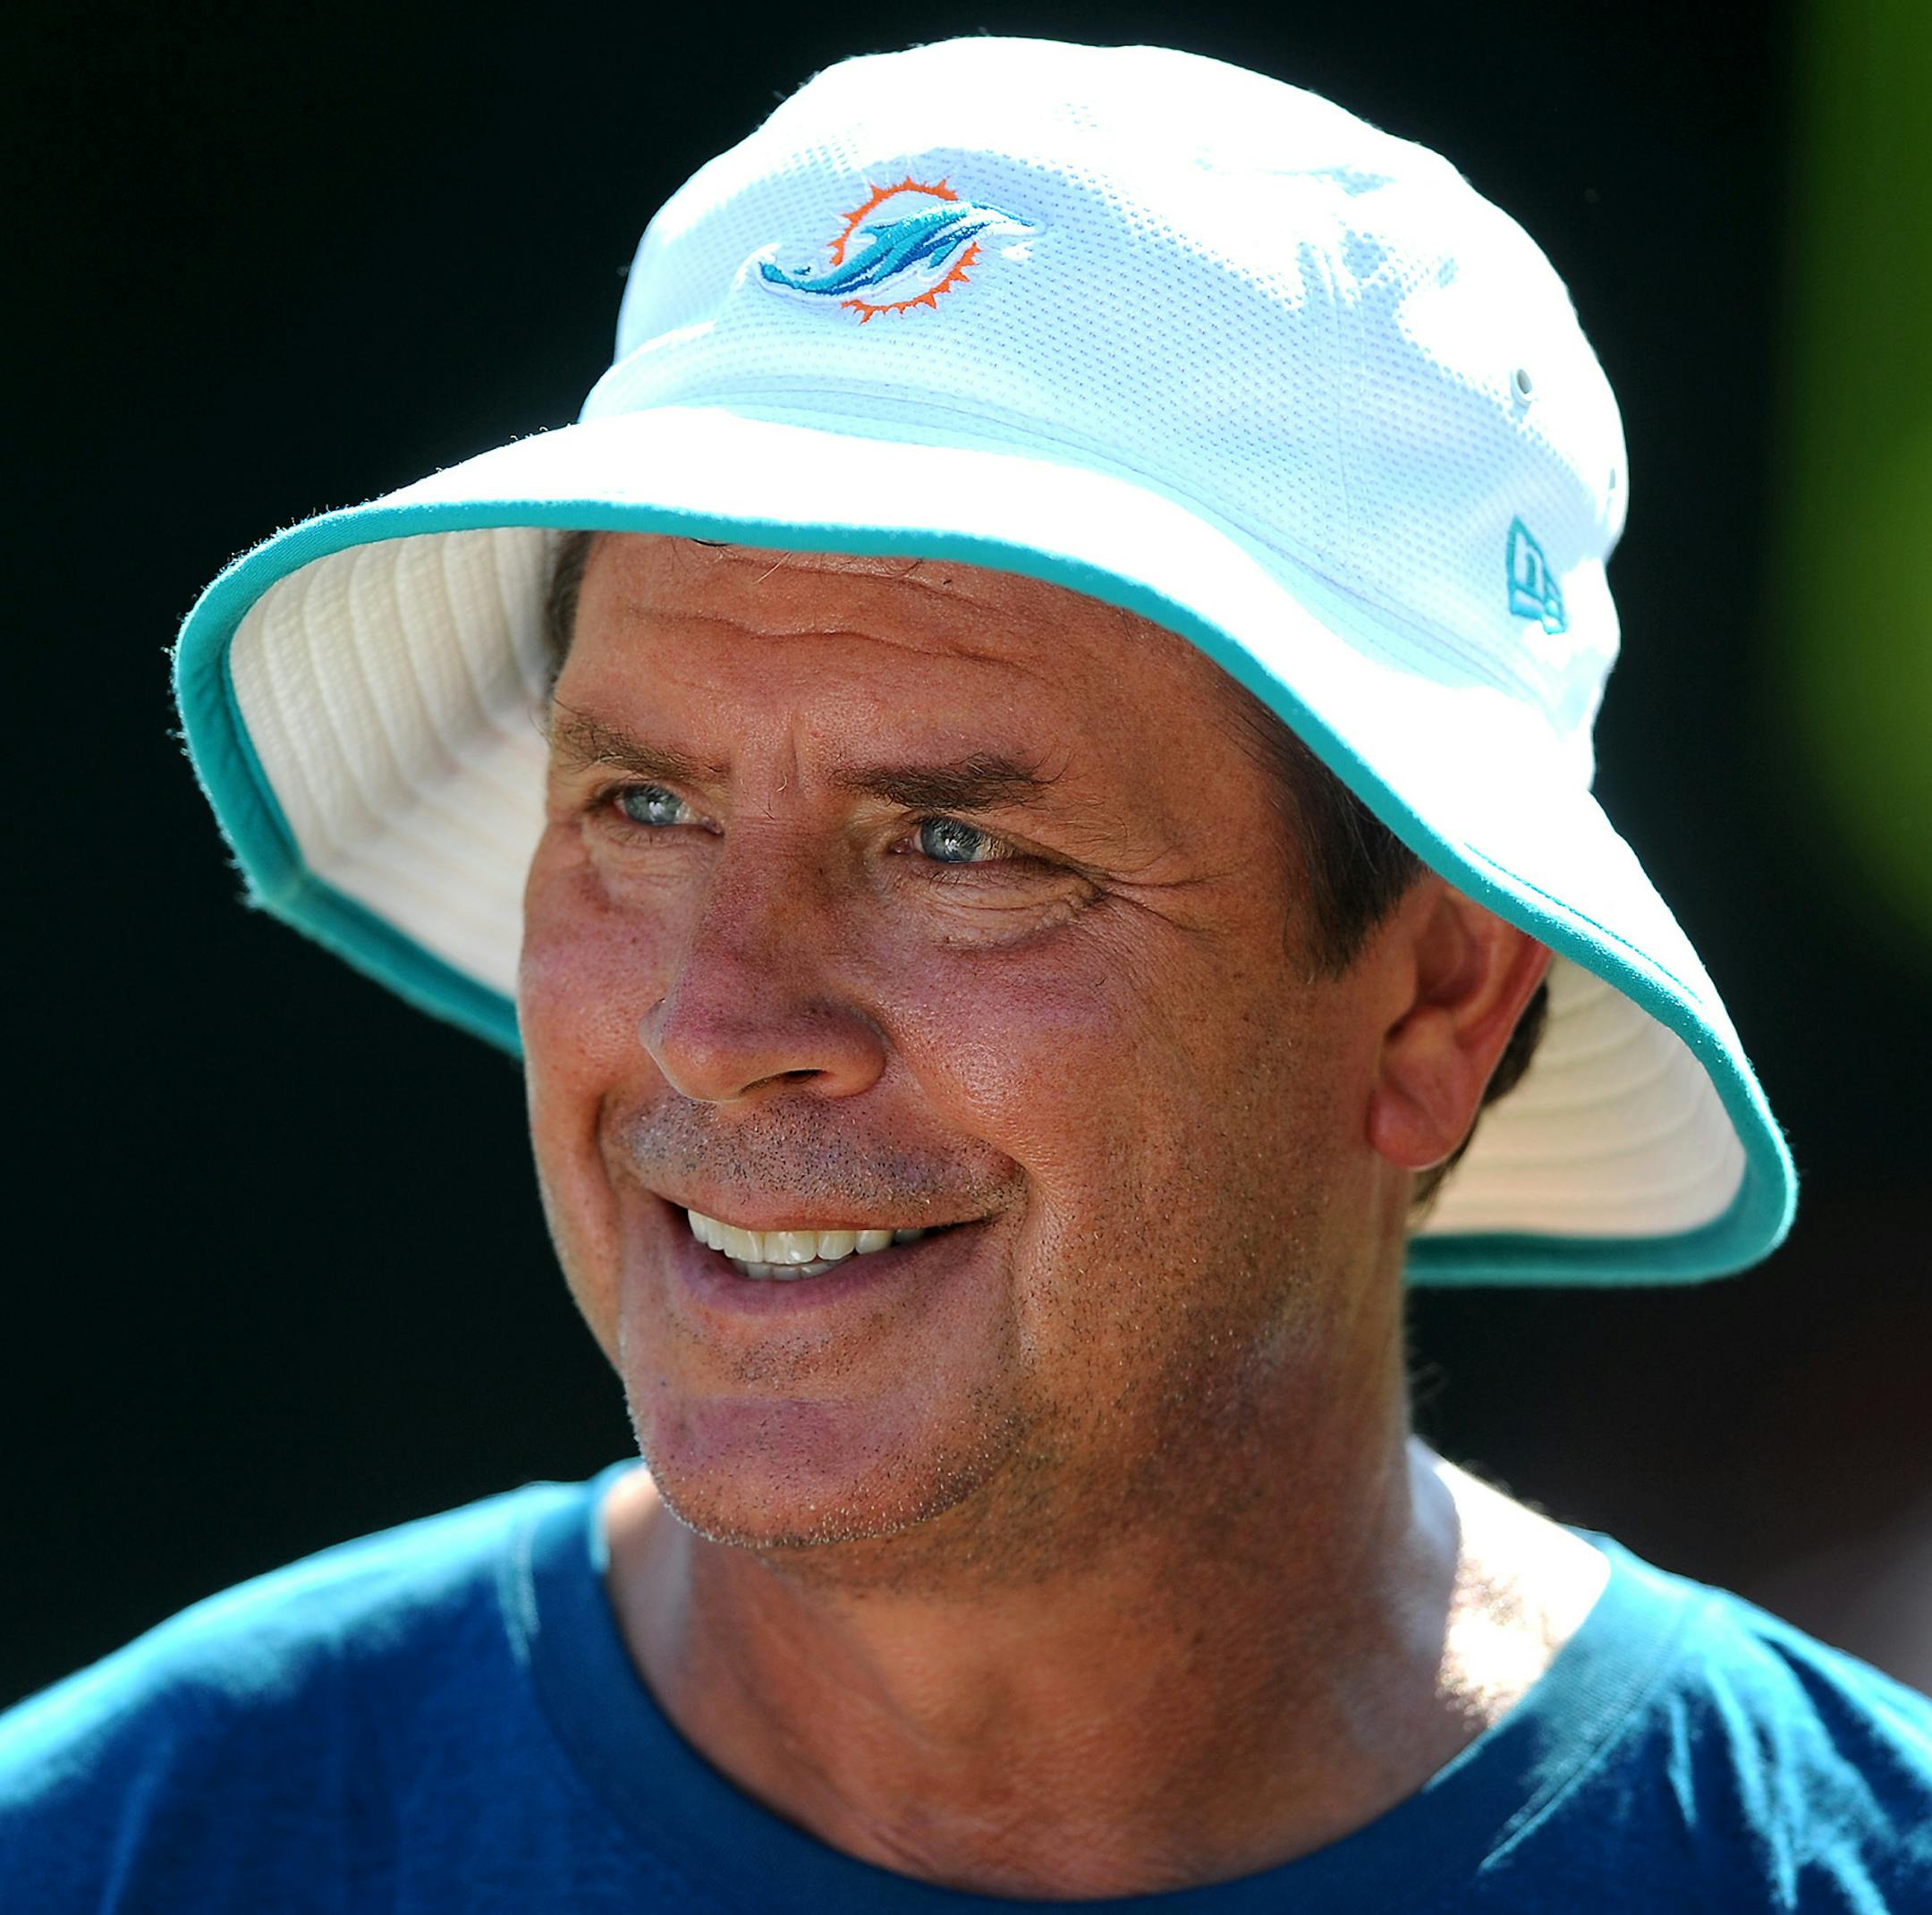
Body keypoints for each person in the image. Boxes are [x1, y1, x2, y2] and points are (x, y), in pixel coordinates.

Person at [4, 34, 1928, 1912]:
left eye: (957, 848)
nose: (717, 1023)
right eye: (645, 805)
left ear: (1439, 1003)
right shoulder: (120, 1848)